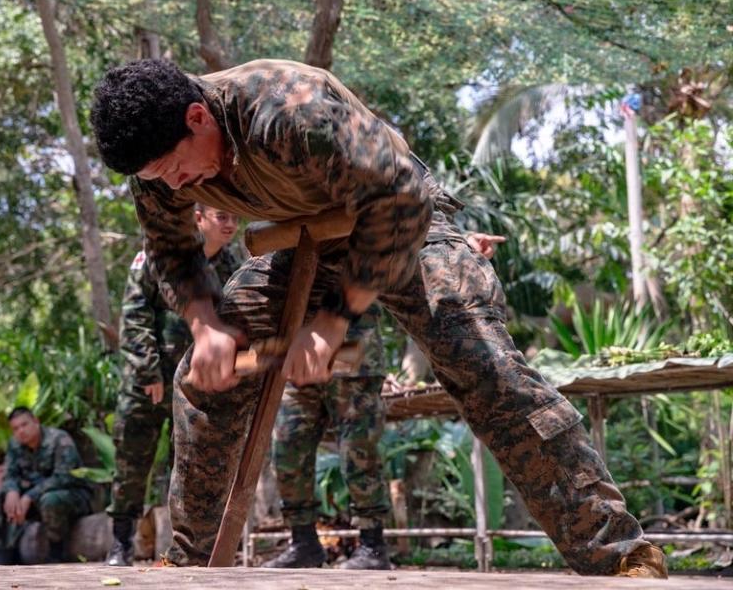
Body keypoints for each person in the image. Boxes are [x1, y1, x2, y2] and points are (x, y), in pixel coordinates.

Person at [91, 58, 667, 578]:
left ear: (198, 116)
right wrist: (204, 323)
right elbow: (172, 252)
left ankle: (619, 553)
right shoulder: (159, 168)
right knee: (200, 380)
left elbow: (403, 201)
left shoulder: (288, 111)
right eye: (155, 178)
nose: (172, 185)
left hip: (404, 225)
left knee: (485, 369)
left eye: (172, 168)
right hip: (308, 242)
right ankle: (190, 566)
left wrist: (334, 320)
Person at [107, 204, 243, 566]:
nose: (230, 223)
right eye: (222, 216)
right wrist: (148, 372)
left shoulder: (232, 267)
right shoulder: (163, 255)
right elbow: (135, 315)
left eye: (234, 217)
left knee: (188, 462)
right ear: (198, 217)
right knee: (133, 460)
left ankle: (184, 549)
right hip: (149, 381)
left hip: (196, 384)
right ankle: (120, 542)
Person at [264, 305, 392, 570]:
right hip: (301, 353)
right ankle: (303, 543)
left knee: (359, 450)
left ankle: (373, 546)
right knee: (288, 446)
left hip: (354, 346)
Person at [0, 407, 94, 564]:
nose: (21, 431)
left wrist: (30, 495)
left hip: (71, 498)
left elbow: (64, 477)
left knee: (50, 499)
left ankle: (56, 554)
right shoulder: (15, 445)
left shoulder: (59, 439)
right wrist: (12, 491)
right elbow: (10, 474)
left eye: (24, 425)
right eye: (16, 428)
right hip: (34, 502)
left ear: (36, 422)